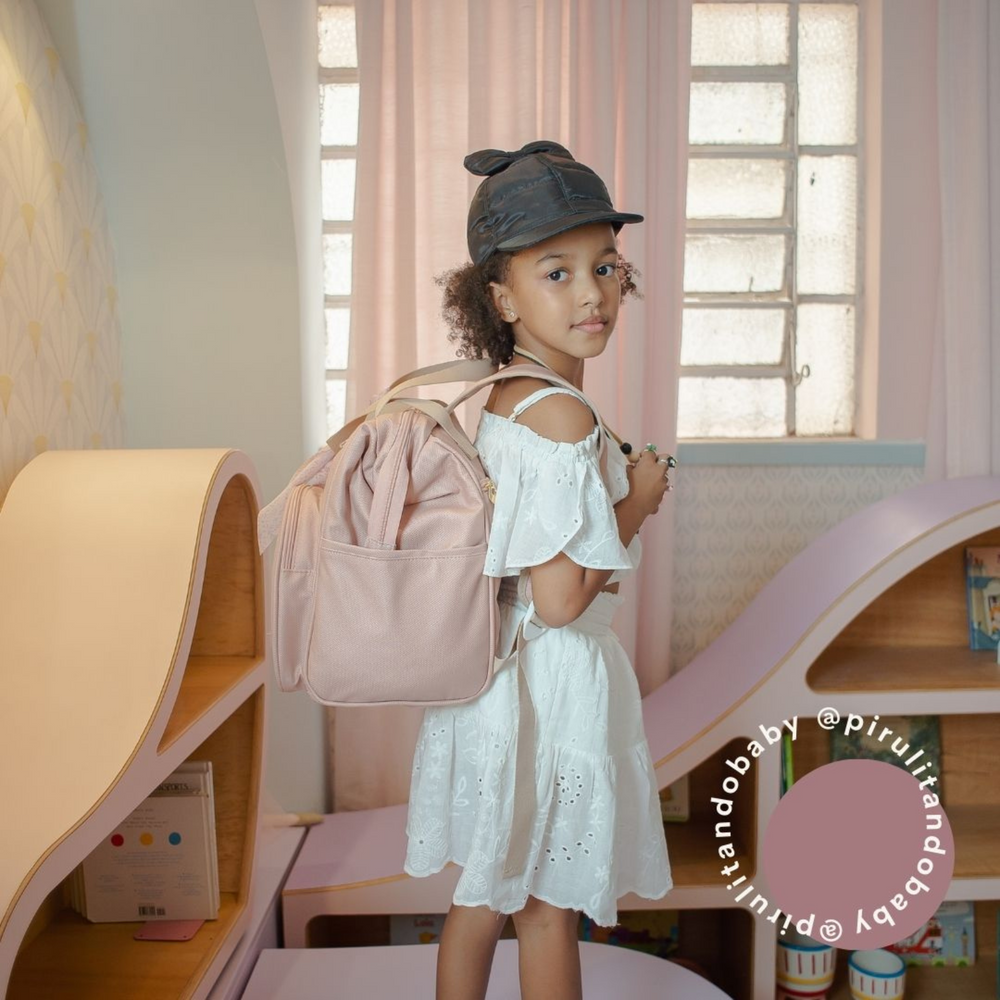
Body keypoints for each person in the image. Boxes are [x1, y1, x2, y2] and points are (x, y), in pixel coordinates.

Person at [403, 139, 674, 1000]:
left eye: (605, 267)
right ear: (501, 296)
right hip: (548, 680)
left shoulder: (507, 394)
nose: (591, 293)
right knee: (548, 908)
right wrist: (638, 501)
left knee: (486, 890)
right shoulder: (561, 417)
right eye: (556, 273)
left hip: (500, 676)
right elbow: (559, 601)